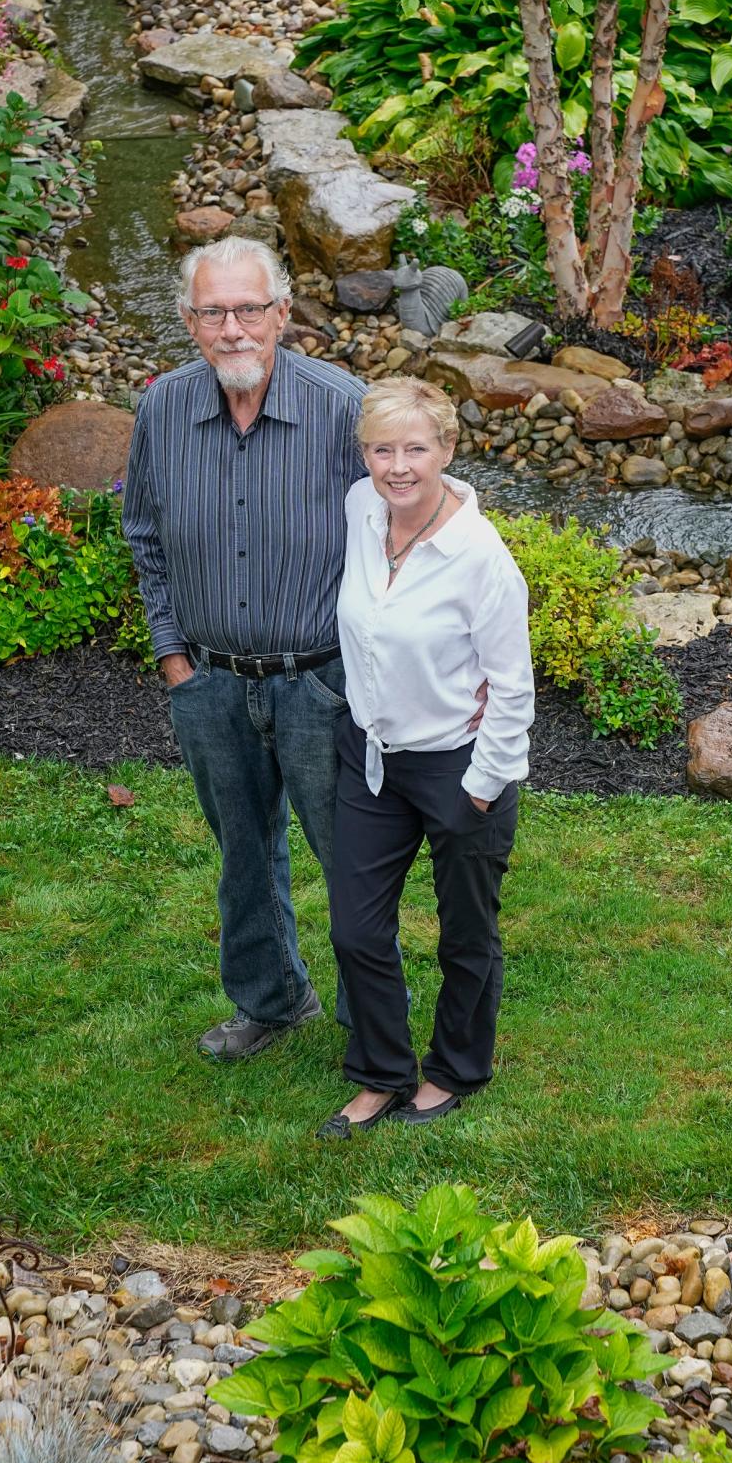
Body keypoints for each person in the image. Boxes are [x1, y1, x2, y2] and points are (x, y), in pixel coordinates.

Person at [122, 235, 366, 1062]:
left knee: (350, 856)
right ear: (190, 321)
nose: (233, 327)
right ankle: (272, 1000)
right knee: (243, 858)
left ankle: (373, 1022)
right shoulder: (161, 407)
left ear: (283, 314)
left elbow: (393, 541)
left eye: (249, 308)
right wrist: (174, 660)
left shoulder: (342, 408)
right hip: (212, 682)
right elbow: (145, 536)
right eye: (213, 310)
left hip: (320, 683)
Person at [318, 377, 535, 1138]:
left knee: (465, 931)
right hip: (372, 758)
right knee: (355, 927)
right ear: (365, 453)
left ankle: (453, 1070)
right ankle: (380, 1072)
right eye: (382, 448)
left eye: (416, 448)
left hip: (457, 766)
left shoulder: (480, 558)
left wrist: (479, 788)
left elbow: (512, 689)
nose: (398, 465)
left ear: (448, 448)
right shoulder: (359, 508)